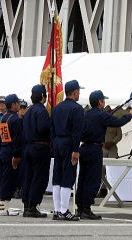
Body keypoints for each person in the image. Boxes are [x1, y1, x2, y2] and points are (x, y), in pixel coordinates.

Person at [76, 90, 132, 220]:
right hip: (95, 149)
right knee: (93, 179)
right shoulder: (102, 115)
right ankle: (86, 209)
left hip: (84, 147)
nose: (104, 102)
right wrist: (130, 115)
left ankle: (80, 207)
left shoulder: (85, 114)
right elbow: (118, 122)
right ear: (100, 102)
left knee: (83, 179)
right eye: (103, 100)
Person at [51, 80, 84, 221]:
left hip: (57, 142)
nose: (79, 94)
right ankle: (64, 210)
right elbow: (77, 132)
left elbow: (51, 129)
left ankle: (57, 210)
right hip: (69, 143)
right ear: (75, 92)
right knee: (68, 176)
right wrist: (76, 150)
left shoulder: (56, 108)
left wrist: (54, 144)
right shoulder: (77, 109)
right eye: (78, 91)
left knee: (57, 177)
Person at [22, 85, 51, 218]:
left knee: (28, 177)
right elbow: (43, 129)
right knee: (39, 177)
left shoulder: (28, 111)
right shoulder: (42, 111)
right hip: (40, 147)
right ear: (42, 97)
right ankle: (33, 206)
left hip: (28, 147)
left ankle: (26, 205)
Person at [0, 94, 23, 216]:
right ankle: (4, 207)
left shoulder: (1, 118)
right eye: (18, 103)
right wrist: (16, 156)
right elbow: (17, 140)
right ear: (14, 104)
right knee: (8, 180)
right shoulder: (16, 119)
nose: (19, 106)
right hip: (11, 152)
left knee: (0, 179)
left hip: (2, 150)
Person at [13, 99, 28, 199]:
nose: (22, 110)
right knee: (16, 170)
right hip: (17, 148)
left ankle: (22, 188)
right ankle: (16, 188)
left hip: (26, 148)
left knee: (24, 170)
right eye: (21, 108)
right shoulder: (16, 121)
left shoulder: (28, 121)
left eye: (24, 108)